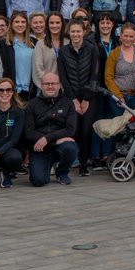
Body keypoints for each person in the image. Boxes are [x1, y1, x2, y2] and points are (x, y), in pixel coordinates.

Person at [58, 18, 101, 174]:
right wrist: (74, 100)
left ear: (84, 32)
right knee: (72, 130)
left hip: (90, 96)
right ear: (69, 33)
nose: (75, 34)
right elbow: (63, 77)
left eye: (78, 31)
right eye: (73, 31)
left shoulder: (92, 48)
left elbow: (95, 74)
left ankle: (84, 164)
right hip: (71, 97)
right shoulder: (63, 51)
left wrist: (86, 99)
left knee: (86, 130)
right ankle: (69, 162)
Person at [23, 72, 79, 186]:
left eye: (53, 83)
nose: (50, 86)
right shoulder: (31, 105)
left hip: (59, 146)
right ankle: (47, 165)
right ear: (40, 85)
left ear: (59, 85)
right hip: (39, 148)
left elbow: (70, 130)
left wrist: (48, 139)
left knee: (70, 146)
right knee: (38, 181)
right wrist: (52, 140)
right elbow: (28, 132)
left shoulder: (68, 103)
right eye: (46, 83)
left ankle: (62, 172)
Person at [104, 22, 135, 110]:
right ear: (121, 36)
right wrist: (119, 97)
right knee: (120, 123)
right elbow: (108, 78)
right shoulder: (113, 54)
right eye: (125, 36)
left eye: (131, 36)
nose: (128, 39)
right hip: (119, 99)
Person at [32, 12, 65, 93]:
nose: (54, 26)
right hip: (45, 89)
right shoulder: (40, 44)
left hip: (65, 89)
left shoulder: (68, 42)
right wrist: (49, 85)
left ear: (62, 24)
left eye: (57, 23)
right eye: (51, 23)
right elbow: (38, 68)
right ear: (47, 25)